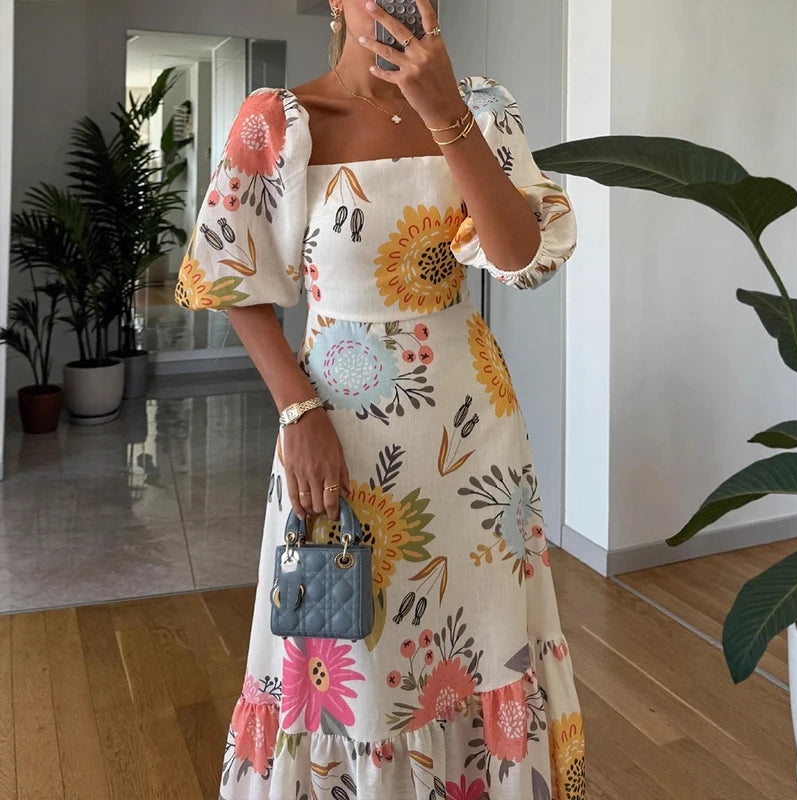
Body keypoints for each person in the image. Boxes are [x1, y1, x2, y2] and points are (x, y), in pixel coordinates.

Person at [175, 1, 585, 797]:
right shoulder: (285, 121)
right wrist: (297, 410)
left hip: (476, 449)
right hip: (340, 435)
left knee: (488, 648)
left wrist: (447, 115)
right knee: (346, 660)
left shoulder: (483, 108)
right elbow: (231, 276)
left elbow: (522, 256)